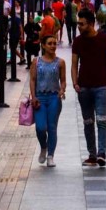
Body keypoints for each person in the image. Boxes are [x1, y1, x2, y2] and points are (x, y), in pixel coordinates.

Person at [71, 9, 106, 167]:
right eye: (78, 24)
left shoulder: (105, 40)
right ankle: (92, 155)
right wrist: (75, 83)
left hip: (102, 86)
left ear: (91, 24)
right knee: (88, 122)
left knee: (101, 120)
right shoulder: (78, 41)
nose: (79, 27)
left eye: (82, 24)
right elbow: (74, 64)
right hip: (84, 87)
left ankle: (101, 153)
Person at [29, 34, 66, 168]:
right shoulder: (36, 61)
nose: (52, 46)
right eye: (49, 43)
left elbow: (63, 80)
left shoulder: (60, 62)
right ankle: (43, 147)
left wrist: (62, 90)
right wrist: (33, 96)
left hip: (54, 98)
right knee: (40, 127)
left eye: (54, 43)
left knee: (52, 127)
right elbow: (32, 80)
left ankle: (50, 156)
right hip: (40, 98)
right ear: (43, 46)